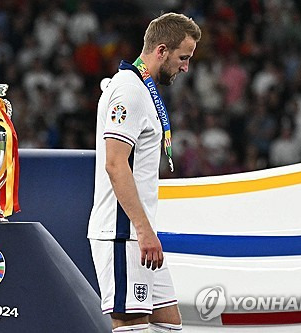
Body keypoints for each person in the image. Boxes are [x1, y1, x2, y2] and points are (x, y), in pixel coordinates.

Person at [87, 13, 201, 332]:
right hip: (122, 232)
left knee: (168, 323)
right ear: (161, 50)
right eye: (183, 58)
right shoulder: (130, 91)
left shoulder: (139, 87)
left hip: (137, 232)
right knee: (131, 323)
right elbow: (115, 163)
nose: (186, 67)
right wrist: (142, 229)